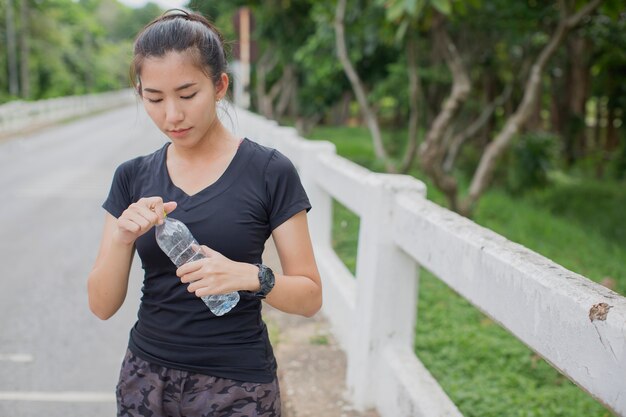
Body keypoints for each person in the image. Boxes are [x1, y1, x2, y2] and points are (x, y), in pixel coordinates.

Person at [87, 9, 322, 417]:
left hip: (238, 383)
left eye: (187, 94)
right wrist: (123, 238)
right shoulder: (131, 176)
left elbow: (310, 297)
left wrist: (252, 276)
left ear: (219, 86)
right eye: (154, 98)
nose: (172, 115)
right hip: (146, 378)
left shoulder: (269, 171)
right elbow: (102, 306)